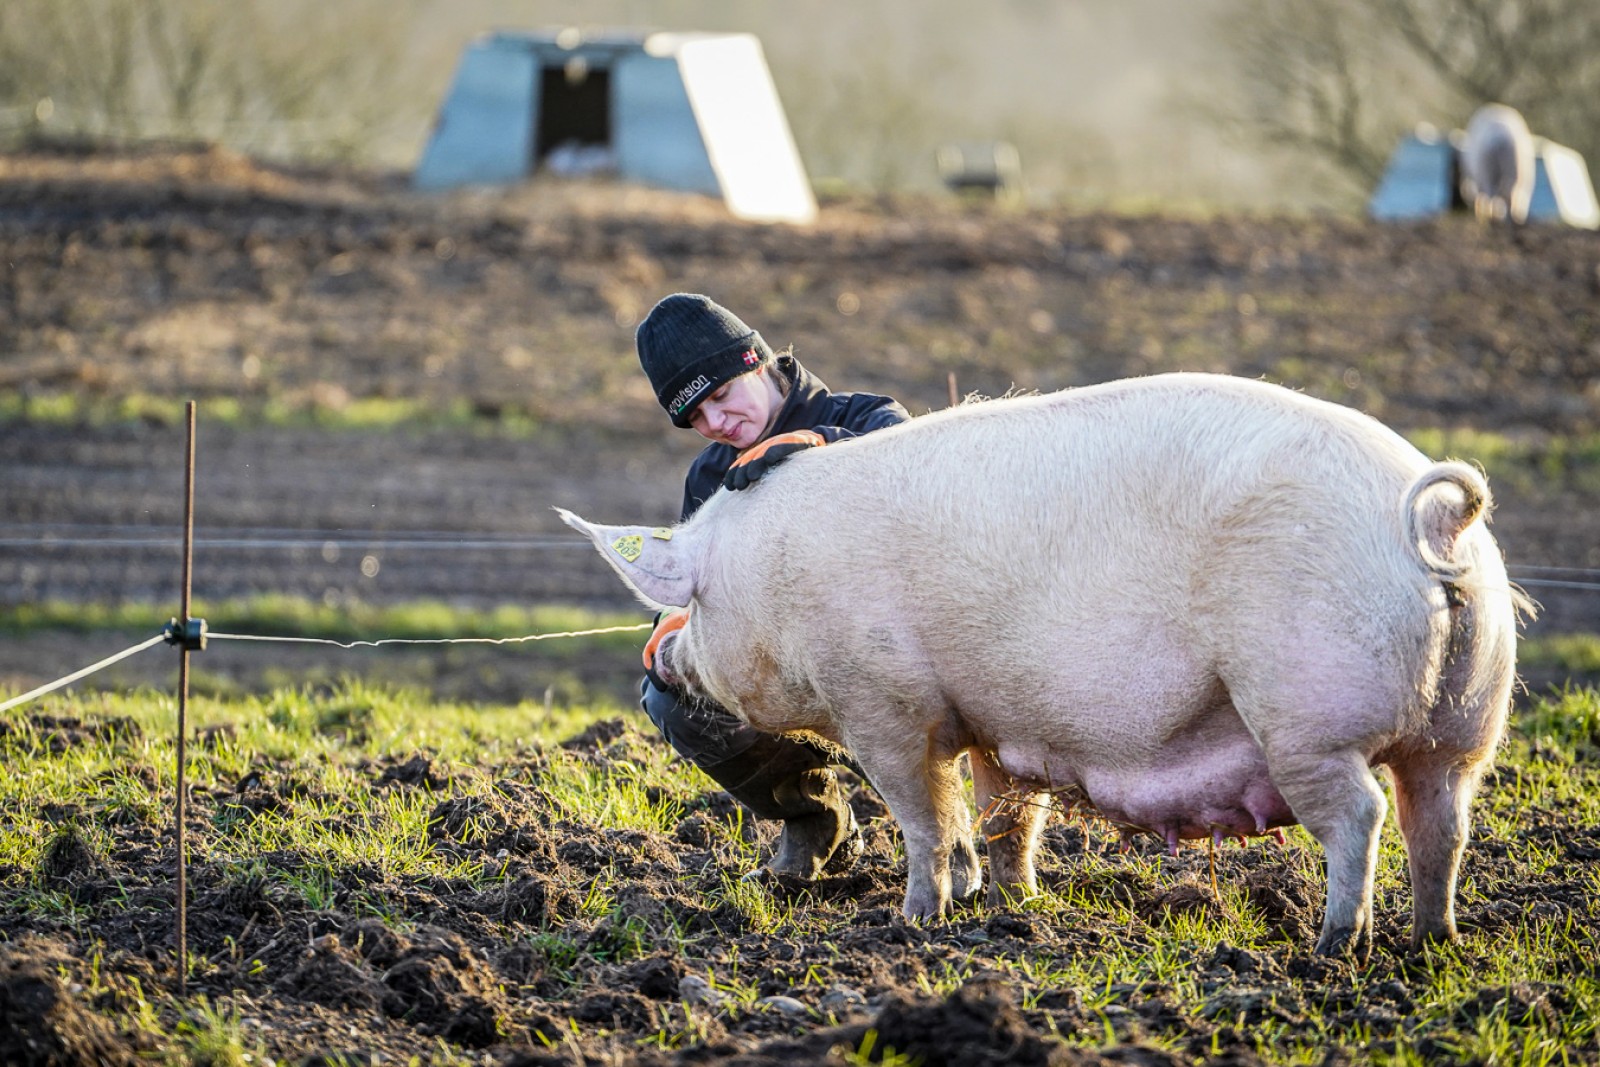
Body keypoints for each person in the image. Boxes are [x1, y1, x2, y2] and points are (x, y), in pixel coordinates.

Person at [634, 292, 910, 880]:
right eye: (695, 418)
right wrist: (670, 630)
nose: (715, 424)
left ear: (754, 360)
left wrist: (821, 447)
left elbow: (920, 474)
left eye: (720, 396)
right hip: (787, 676)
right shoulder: (711, 475)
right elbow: (693, 590)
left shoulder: (869, 418)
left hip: (900, 665)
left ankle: (961, 832)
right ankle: (816, 818)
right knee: (669, 699)